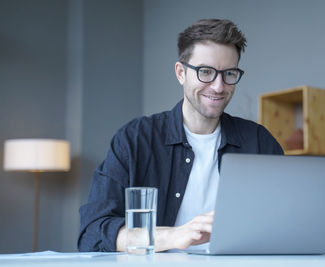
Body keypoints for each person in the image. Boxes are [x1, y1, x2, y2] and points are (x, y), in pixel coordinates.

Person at [78, 18, 283, 253]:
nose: (218, 86)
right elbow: (92, 233)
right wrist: (175, 236)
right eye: (206, 72)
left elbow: (284, 224)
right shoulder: (134, 139)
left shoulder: (260, 142)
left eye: (229, 73)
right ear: (181, 73)